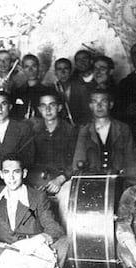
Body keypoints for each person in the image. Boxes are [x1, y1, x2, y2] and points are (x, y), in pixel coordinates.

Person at [0, 154, 69, 268]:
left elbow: (55, 229)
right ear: (1, 174)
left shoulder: (37, 196)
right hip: (6, 251)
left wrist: (39, 239)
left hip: (34, 253)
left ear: (24, 173)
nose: (11, 177)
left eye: (16, 172)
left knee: (65, 242)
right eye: (6, 172)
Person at [72, 88, 136, 187]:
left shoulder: (123, 129)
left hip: (119, 183)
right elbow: (78, 161)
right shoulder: (85, 131)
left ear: (111, 105)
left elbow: (132, 161)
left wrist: (129, 185)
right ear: (90, 106)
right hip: (92, 184)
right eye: (95, 102)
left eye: (103, 101)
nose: (99, 106)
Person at [32, 91, 78, 228]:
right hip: (38, 180)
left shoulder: (71, 131)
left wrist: (60, 179)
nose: (48, 109)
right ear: (39, 109)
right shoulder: (34, 131)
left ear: (59, 107)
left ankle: (66, 238)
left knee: (66, 198)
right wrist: (35, 180)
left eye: (52, 105)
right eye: (44, 106)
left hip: (64, 180)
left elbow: (77, 162)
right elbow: (29, 160)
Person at [11, 54, 52, 120]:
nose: (30, 70)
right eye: (27, 66)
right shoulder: (17, 92)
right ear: (22, 69)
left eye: (34, 66)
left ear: (39, 67)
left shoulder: (48, 91)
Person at [69, 50, 96, 125]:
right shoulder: (72, 81)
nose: (82, 62)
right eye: (78, 60)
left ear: (91, 61)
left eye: (85, 58)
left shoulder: (99, 77)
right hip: (82, 124)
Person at [53, 58, 75, 125]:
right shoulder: (51, 89)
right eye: (59, 69)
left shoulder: (80, 88)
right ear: (55, 72)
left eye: (66, 69)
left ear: (71, 71)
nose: (63, 72)